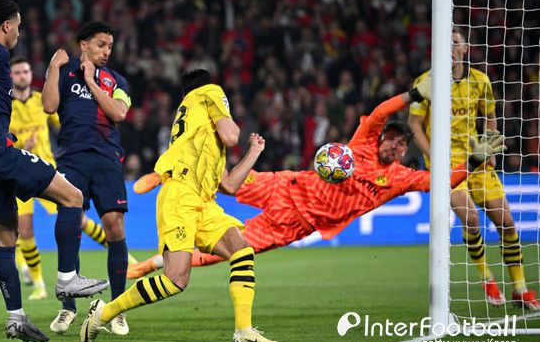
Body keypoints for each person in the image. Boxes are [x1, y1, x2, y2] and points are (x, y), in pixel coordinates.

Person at [127, 83, 504, 286]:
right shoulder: (362, 144)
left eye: (399, 143)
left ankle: (149, 264)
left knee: (230, 252)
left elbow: (443, 181)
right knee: (220, 182)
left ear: (406, 150)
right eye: (390, 138)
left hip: (294, 224)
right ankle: (169, 173)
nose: (392, 144)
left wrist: (471, 162)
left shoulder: (402, 180)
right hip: (285, 185)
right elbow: (378, 112)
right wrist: (411, 96)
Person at [0, 0, 109, 342]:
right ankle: (67, 278)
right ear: (8, 26)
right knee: (72, 197)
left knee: (5, 236)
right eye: (18, 26)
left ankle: (15, 317)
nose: (19, 33)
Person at [79, 69, 278, 342]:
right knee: (175, 280)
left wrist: (254, 152)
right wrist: (228, 116)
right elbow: (232, 136)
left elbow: (229, 185)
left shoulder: (198, 131)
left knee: (241, 251)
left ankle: (243, 330)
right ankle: (104, 313)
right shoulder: (209, 92)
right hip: (181, 196)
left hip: (203, 201)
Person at [408, 27, 539, 311]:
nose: (451, 48)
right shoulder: (426, 82)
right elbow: (414, 125)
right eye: (446, 43)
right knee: (470, 217)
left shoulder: (480, 81)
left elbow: (490, 117)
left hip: (476, 158)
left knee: (506, 222)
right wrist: (433, 158)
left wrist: (489, 147)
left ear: (465, 49)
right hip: (447, 164)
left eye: (455, 43)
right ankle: (487, 279)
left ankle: (520, 288)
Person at [42, 21, 132, 335]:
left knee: (115, 226)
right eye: (101, 45)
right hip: (72, 158)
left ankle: (117, 308)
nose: (107, 51)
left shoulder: (117, 80)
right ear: (84, 45)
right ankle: (68, 307)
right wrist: (53, 69)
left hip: (107, 159)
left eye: (110, 46)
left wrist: (92, 82)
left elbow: (119, 113)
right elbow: (49, 106)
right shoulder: (64, 73)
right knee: (70, 219)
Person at [8, 57, 119, 312]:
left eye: (26, 71)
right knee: (24, 230)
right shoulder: (6, 106)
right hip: (19, 173)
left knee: (78, 218)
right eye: (18, 72)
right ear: (11, 76)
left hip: (46, 171)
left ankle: (120, 252)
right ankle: (39, 285)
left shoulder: (41, 100)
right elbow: (3, 139)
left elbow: (64, 123)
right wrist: (20, 146)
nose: (23, 75)